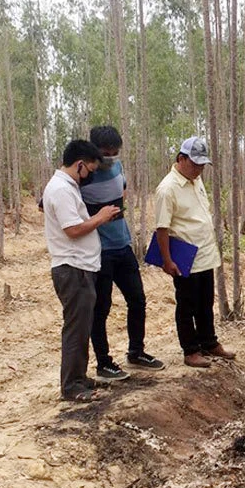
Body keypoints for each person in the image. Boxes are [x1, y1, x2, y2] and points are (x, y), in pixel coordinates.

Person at [82, 126, 164, 381]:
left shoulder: (117, 169)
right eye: (106, 153)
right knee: (101, 308)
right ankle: (103, 363)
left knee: (137, 300)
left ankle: (136, 352)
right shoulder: (83, 175)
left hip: (123, 245)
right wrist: (96, 217)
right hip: (100, 251)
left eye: (115, 153)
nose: (111, 158)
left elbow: (123, 191)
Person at [42, 140, 119, 402]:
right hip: (72, 268)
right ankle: (72, 386)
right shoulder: (61, 190)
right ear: (80, 165)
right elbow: (72, 230)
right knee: (76, 329)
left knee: (82, 326)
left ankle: (79, 377)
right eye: (90, 171)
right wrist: (101, 217)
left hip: (80, 267)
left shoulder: (67, 188)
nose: (91, 176)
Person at [154, 137, 236, 368]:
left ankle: (209, 342)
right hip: (184, 257)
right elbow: (162, 228)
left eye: (202, 165)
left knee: (205, 302)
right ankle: (190, 350)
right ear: (181, 159)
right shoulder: (167, 188)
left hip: (205, 255)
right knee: (187, 305)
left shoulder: (196, 181)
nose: (199, 169)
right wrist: (167, 260)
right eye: (195, 164)